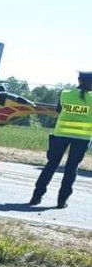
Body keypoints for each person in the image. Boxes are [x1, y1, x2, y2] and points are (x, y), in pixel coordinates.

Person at [30, 71, 92, 209]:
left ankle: (36, 196)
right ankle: (61, 201)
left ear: (79, 80)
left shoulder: (65, 94)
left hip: (60, 135)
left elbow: (59, 110)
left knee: (51, 165)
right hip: (82, 138)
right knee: (71, 169)